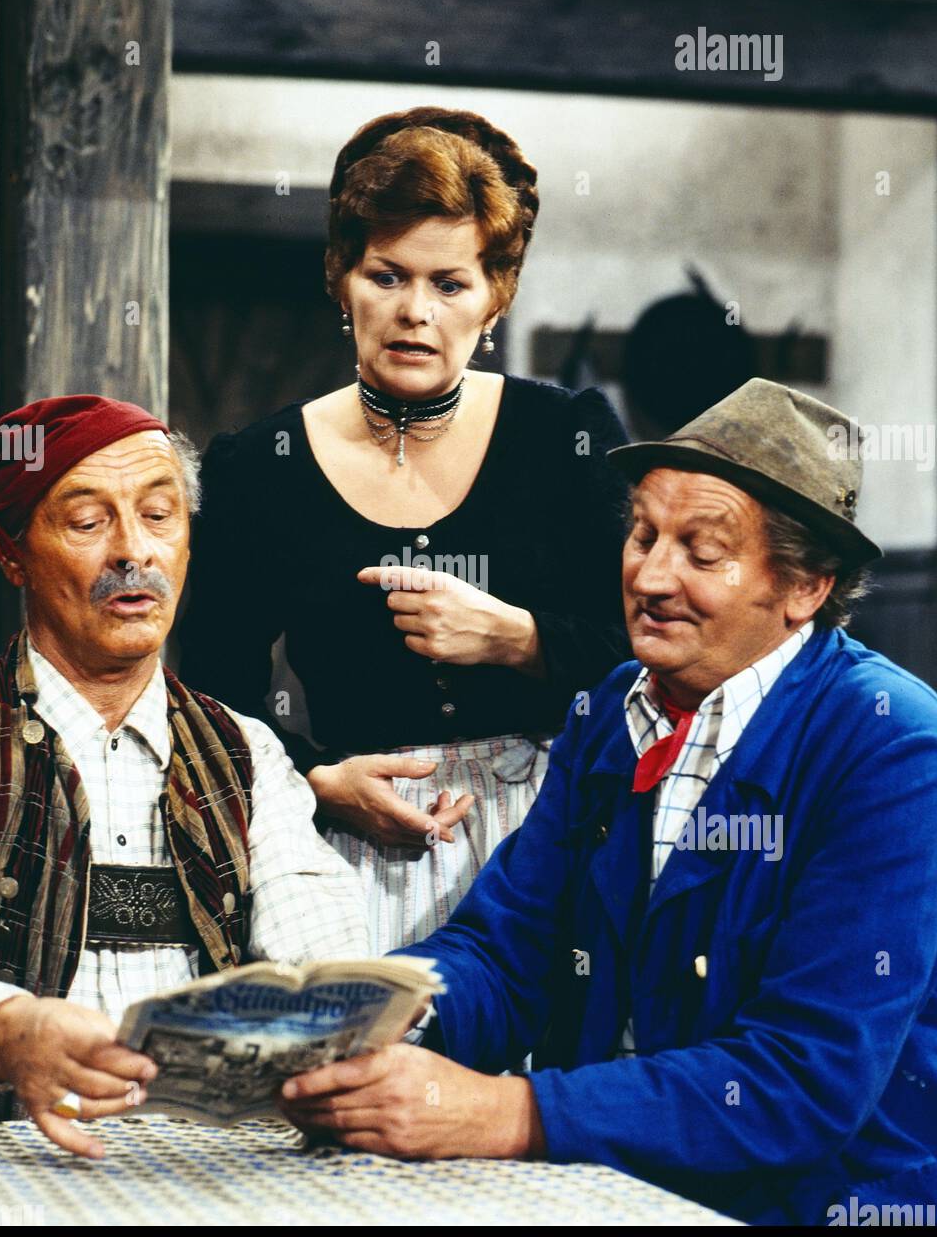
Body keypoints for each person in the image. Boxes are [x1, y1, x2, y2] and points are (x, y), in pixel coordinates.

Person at [279, 379, 937, 1226]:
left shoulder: (892, 746)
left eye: (702, 550)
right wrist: (383, 1017)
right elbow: (508, 949)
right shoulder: (613, 715)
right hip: (646, 1197)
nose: (651, 576)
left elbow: (800, 1080)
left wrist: (500, 1111)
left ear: (805, 586)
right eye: (644, 534)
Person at [0, 395, 367, 1159]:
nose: (133, 551)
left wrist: (330, 1020)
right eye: (87, 522)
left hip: (205, 1172)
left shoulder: (247, 752)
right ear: (13, 555)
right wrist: (3, 1033)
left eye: (160, 515)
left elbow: (319, 944)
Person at [180, 106, 631, 954]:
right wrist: (318, 780)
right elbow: (213, 696)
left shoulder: (566, 436)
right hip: (357, 845)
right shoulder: (260, 464)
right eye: (386, 276)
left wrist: (522, 639)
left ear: (495, 298)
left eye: (449, 283)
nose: (414, 311)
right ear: (341, 281)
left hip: (559, 839)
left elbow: (655, 654)